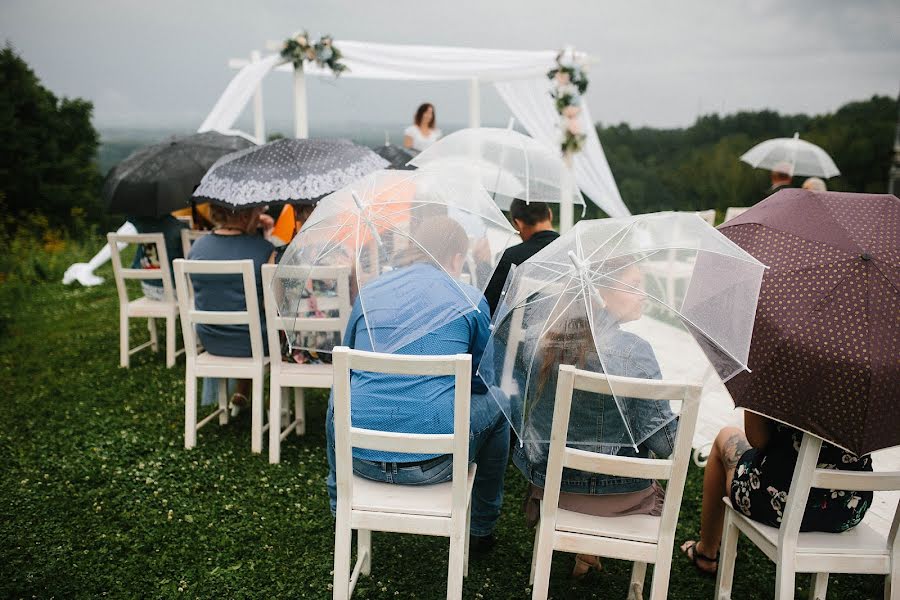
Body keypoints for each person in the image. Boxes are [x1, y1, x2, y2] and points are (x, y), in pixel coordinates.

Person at [325, 215, 510, 552]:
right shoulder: (470, 300)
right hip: (436, 462)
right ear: (456, 258)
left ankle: (340, 505)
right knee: (501, 404)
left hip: (359, 458)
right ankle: (482, 528)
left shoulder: (371, 291)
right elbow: (484, 382)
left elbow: (349, 360)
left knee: (341, 389)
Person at [512, 260, 678, 578]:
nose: (643, 294)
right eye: (633, 285)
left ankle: (583, 548)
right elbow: (664, 442)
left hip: (552, 486)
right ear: (600, 294)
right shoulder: (636, 352)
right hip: (620, 494)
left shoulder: (538, 339)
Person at [679, 414, 873, 575]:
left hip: (778, 502)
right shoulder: (872, 383)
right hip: (846, 509)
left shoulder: (786, 372)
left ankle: (707, 552)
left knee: (727, 435)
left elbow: (758, 440)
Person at [188, 204, 276, 412]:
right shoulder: (263, 249)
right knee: (276, 327)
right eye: (257, 211)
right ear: (245, 214)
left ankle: (242, 392)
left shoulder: (197, 248)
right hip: (251, 344)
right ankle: (276, 406)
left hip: (210, 339)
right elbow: (272, 304)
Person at [483, 200, 559, 315]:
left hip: (520, 331)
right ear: (550, 214)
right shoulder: (574, 252)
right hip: (568, 328)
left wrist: (483, 264)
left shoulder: (509, 258)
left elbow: (489, 308)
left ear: (518, 223)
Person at [127, 213, 189, 301]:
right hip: (174, 291)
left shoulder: (141, 224)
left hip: (148, 288)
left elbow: (131, 217)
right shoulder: (178, 227)